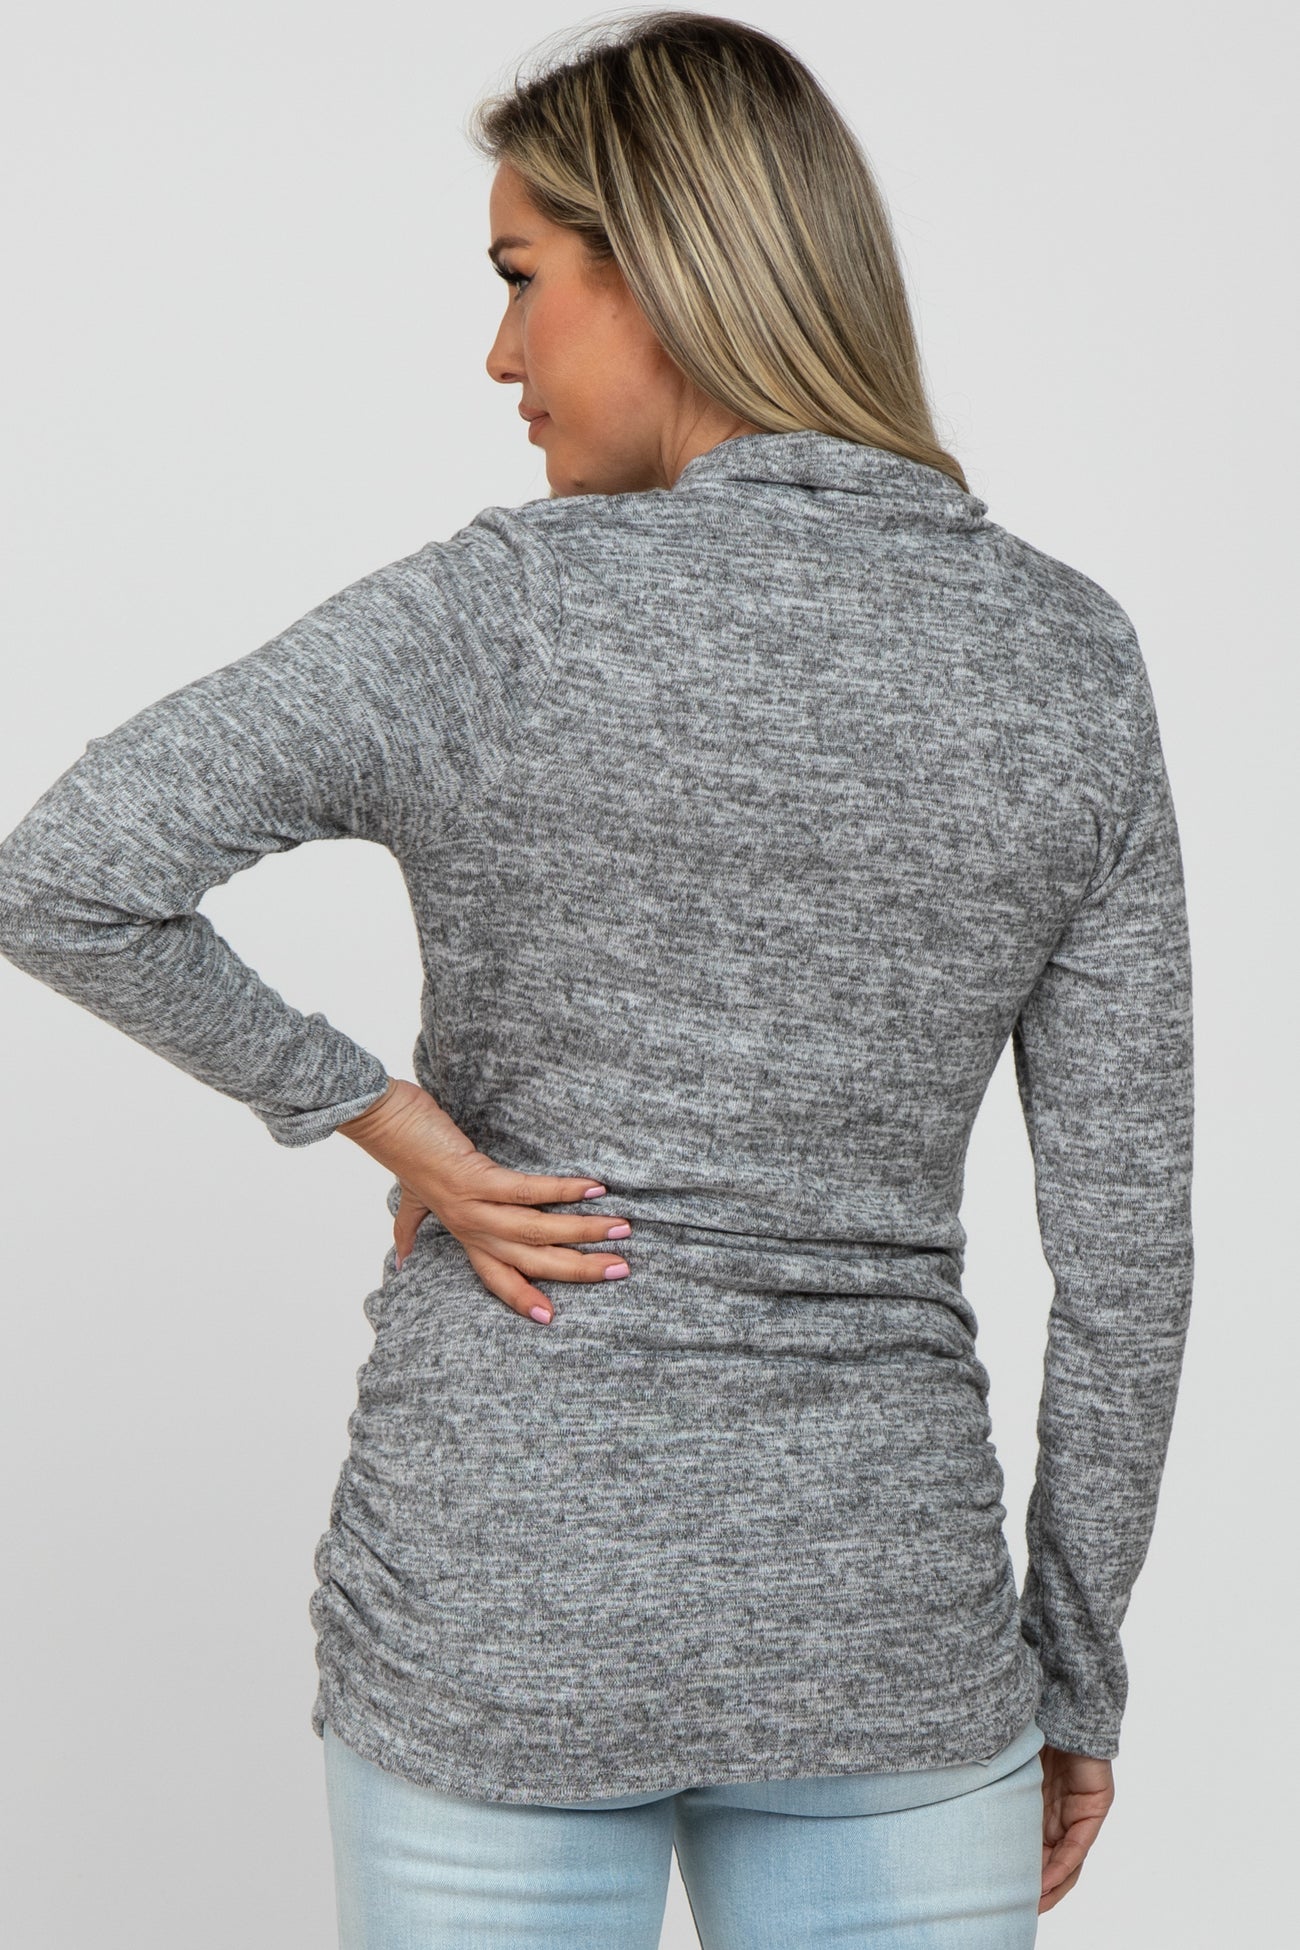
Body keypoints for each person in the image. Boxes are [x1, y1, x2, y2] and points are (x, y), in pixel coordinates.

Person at [0, 11, 1194, 1948]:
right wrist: (1072, 1667)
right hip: (879, 1634)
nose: (500, 356)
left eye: (518, 277)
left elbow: (67, 873)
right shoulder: (1063, 656)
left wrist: (390, 1125)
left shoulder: (502, 611)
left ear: (665, 270)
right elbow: (1127, 1252)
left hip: (494, 1606)